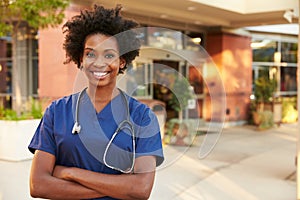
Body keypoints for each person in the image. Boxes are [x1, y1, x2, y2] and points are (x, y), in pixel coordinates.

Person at [28, 4, 164, 200]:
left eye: (109, 55)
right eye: (90, 53)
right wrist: (120, 186)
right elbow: (38, 185)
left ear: (122, 61)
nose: (99, 63)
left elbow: (140, 190)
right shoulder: (57, 112)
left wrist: (70, 173)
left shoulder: (142, 116)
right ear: (80, 59)